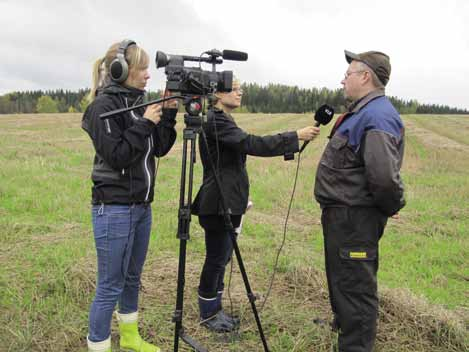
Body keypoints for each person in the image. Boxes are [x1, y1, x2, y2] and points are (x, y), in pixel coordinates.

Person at [191, 79, 321, 332]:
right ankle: (208, 314)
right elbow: (251, 144)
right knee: (216, 259)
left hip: (228, 201)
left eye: (241, 88)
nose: (240, 92)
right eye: (234, 88)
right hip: (218, 203)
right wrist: (294, 136)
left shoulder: (222, 118)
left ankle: (215, 309)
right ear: (217, 93)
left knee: (223, 258)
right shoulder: (214, 120)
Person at [81, 39, 178, 352]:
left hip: (141, 208)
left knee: (133, 277)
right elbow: (118, 155)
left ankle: (131, 337)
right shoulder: (101, 109)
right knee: (110, 284)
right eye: (142, 69)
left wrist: (168, 115)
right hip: (114, 209)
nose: (148, 75)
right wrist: (146, 122)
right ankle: (98, 344)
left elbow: (159, 148)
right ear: (120, 71)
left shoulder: (140, 104)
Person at [314, 50, 405, 351]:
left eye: (348, 74)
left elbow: (383, 178)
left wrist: (392, 205)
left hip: (355, 220)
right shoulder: (364, 112)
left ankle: (355, 343)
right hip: (344, 218)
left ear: (365, 77)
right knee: (344, 282)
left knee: (356, 291)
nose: (343, 80)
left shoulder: (377, 115)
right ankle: (345, 326)